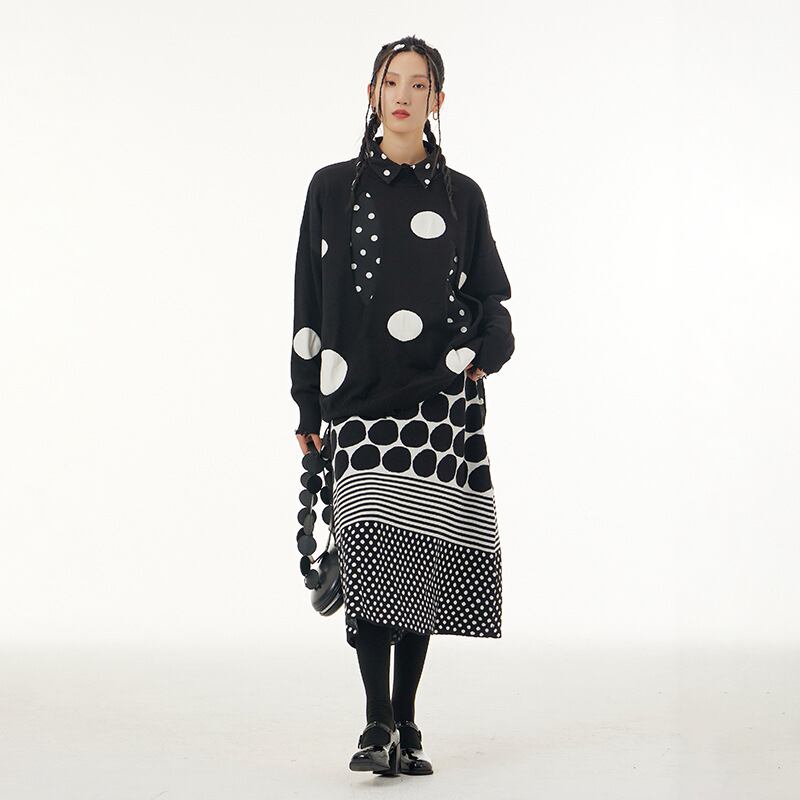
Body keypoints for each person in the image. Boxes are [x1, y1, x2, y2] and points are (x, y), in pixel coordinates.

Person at [290, 35, 515, 776]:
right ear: (372, 93)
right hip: (355, 399)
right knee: (367, 557)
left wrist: (483, 353)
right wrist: (306, 405)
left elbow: (492, 303)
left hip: (436, 408)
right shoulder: (330, 189)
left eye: (419, 84)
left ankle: (407, 725)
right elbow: (308, 301)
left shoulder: (462, 197)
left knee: (416, 564)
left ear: (437, 101)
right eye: (393, 81)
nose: (404, 95)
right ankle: (375, 719)